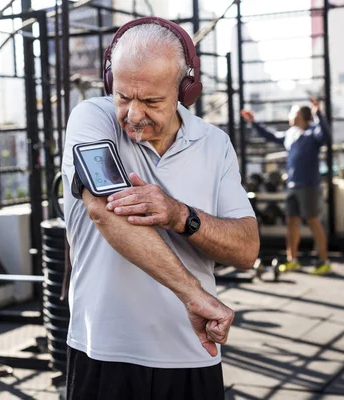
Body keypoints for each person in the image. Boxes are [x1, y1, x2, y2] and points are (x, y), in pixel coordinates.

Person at [61, 17, 260, 399]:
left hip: (192, 352)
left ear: (186, 90)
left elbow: (247, 249)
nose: (134, 115)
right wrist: (193, 294)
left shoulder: (214, 143)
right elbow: (105, 210)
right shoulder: (92, 118)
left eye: (151, 101)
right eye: (123, 96)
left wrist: (180, 215)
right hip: (102, 350)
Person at [240, 99, 332, 275]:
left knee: (313, 221)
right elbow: (270, 135)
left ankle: (324, 261)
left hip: (309, 186)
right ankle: (293, 260)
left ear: (301, 116)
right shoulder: (291, 134)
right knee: (291, 222)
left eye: (293, 112)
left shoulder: (313, 133)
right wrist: (253, 122)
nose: (290, 115)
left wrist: (318, 113)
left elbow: (326, 137)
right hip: (292, 185)